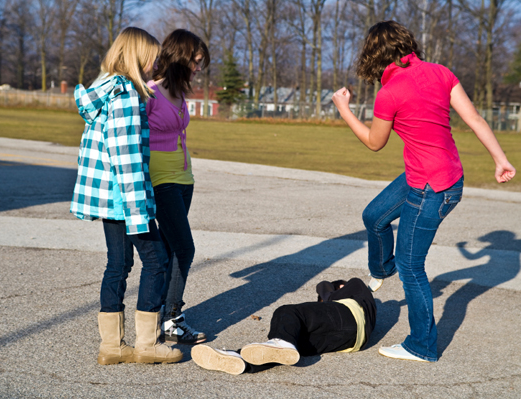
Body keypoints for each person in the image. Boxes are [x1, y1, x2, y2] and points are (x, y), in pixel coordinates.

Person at [332, 21, 516, 362]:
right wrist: (500, 160)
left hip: (433, 188)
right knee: (374, 216)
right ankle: (382, 270)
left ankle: (421, 345)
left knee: (412, 267)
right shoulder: (441, 72)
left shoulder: (390, 93)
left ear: (374, 55)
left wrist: (344, 109)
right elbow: (474, 118)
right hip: (437, 175)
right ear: (407, 45)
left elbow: (375, 143)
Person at [70, 27, 182, 365]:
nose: (155, 65)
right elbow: (126, 157)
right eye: (152, 59)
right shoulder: (126, 96)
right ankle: (146, 345)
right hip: (125, 198)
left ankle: (112, 347)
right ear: (136, 57)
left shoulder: (104, 90)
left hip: (108, 197)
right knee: (157, 261)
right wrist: (139, 211)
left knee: (118, 264)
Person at [146, 29, 210, 344]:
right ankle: (171, 317)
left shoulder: (180, 93)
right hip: (161, 181)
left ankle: (160, 316)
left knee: (173, 248)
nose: (198, 68)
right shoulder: (149, 93)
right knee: (185, 248)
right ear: (181, 59)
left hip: (184, 180)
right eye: (196, 62)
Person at [190, 278, 376, 375]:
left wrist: (329, 290)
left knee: (287, 312)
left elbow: (324, 287)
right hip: (352, 342)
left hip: (349, 314)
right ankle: (240, 359)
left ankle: (281, 343)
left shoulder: (355, 286)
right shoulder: (365, 307)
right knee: (289, 345)